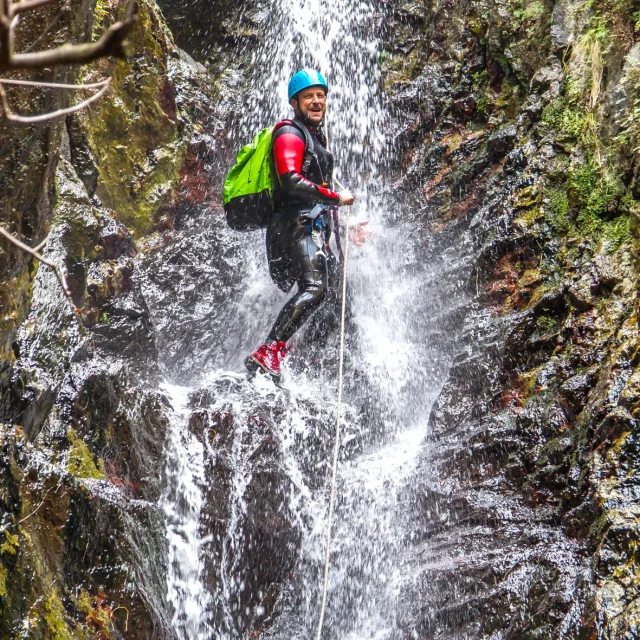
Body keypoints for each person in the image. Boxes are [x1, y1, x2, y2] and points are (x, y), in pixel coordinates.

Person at [245, 69, 370, 380]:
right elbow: (289, 181)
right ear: (295, 101)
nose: (316, 101)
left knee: (339, 293)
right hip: (292, 229)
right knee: (314, 289)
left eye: (320, 95)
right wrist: (336, 198)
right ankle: (270, 350)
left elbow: (314, 199)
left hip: (308, 227)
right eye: (308, 96)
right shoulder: (289, 133)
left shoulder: (314, 139)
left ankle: (301, 351)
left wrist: (343, 226)